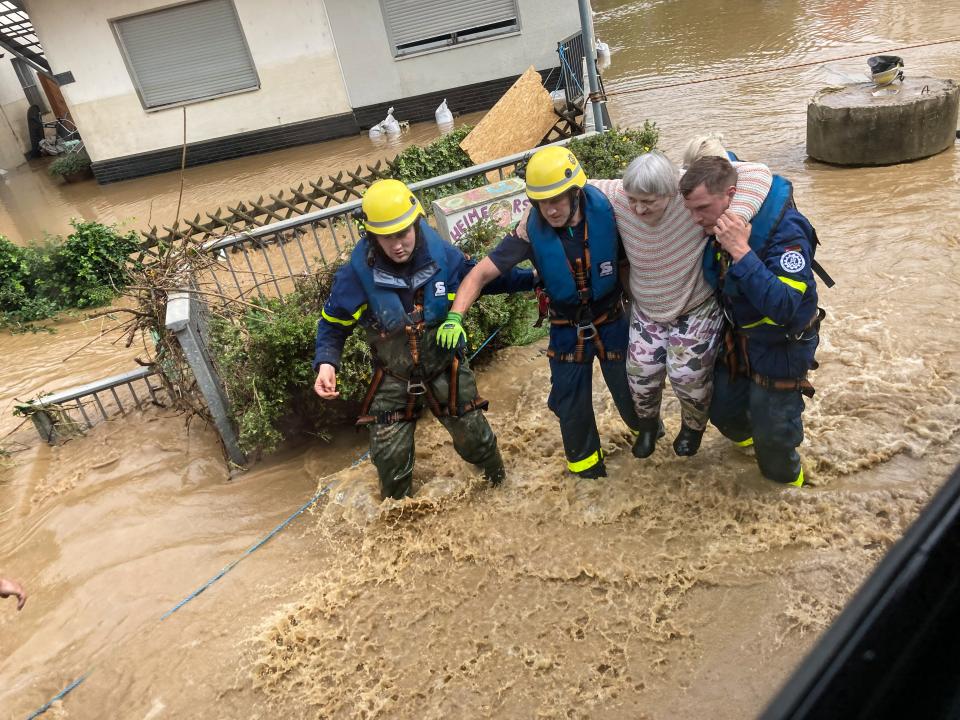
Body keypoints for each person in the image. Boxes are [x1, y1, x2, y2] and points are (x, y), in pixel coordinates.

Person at [313, 179, 534, 501]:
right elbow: (332, 326)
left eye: (403, 233)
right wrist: (326, 364)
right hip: (393, 378)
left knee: (477, 441)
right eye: (387, 237)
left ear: (416, 223)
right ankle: (398, 518)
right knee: (390, 458)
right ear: (372, 235)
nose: (397, 244)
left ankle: (500, 491)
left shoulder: (444, 257)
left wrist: (536, 280)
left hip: (446, 368)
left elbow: (483, 280)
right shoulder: (353, 278)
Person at [441, 146, 641, 479]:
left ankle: (649, 437)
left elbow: (657, 195)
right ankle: (589, 478)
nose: (549, 209)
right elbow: (478, 276)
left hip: (611, 317)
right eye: (541, 202)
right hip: (567, 327)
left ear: (575, 193)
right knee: (571, 408)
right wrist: (455, 317)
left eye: (557, 200)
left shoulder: (610, 210)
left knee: (632, 392)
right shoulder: (528, 233)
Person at [587, 148, 772, 458]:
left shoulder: (687, 196)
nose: (638, 209)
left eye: (649, 202)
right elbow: (572, 187)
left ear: (671, 191)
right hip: (647, 307)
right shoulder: (619, 195)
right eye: (634, 199)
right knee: (640, 373)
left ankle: (693, 428)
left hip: (695, 304)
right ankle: (648, 427)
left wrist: (733, 218)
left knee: (687, 375)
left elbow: (759, 172)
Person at [680, 156, 822, 487]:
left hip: (783, 342)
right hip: (740, 335)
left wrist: (741, 252)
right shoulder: (715, 223)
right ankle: (749, 444)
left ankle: (786, 489)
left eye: (701, 208)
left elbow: (785, 306)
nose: (694, 218)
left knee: (773, 434)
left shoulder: (786, 231)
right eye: (690, 209)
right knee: (722, 408)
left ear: (730, 194)